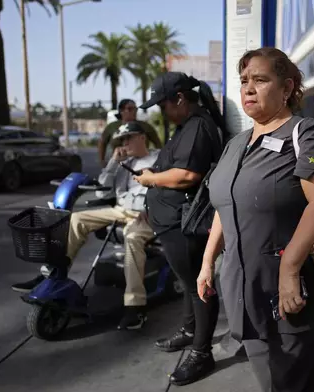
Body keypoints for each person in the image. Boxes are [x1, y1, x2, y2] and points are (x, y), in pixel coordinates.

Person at [197, 47, 314, 392]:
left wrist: (290, 268)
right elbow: (226, 205)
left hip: (286, 291)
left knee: (291, 382)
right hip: (241, 287)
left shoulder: (305, 133)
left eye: (260, 80)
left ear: (287, 87)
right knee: (269, 380)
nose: (248, 88)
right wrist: (207, 262)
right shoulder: (236, 143)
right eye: (244, 80)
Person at [12, 121, 160, 330]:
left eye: (128, 138)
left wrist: (152, 209)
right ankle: (52, 274)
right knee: (75, 220)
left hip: (145, 214)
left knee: (133, 238)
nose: (124, 144)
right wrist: (112, 163)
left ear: (142, 137)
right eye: (121, 141)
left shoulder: (159, 158)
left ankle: (134, 307)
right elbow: (102, 193)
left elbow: (167, 189)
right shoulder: (123, 163)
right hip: (120, 209)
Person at [133, 72, 227, 386]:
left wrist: (149, 180)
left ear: (179, 99)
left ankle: (202, 352)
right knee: (188, 283)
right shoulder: (186, 126)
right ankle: (190, 331)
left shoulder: (198, 126)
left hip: (183, 223)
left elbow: (187, 176)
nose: (161, 111)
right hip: (170, 221)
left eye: (162, 105)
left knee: (200, 286)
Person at [99, 99, 163, 167]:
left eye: (135, 109)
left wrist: (160, 159)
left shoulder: (145, 126)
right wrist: (102, 161)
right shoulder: (112, 127)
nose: (134, 112)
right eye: (130, 109)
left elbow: (157, 142)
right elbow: (102, 142)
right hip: (118, 163)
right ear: (121, 111)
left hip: (142, 163)